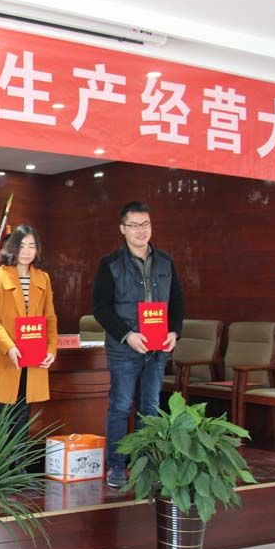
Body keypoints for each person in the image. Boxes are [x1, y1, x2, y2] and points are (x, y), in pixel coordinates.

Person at [93, 201, 184, 488]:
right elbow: (101, 308)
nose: (140, 230)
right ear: (122, 229)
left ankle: (146, 466)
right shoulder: (110, 264)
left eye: (145, 224)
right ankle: (117, 467)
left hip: (157, 349)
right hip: (125, 349)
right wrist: (128, 335)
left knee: (151, 407)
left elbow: (177, 301)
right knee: (121, 406)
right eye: (133, 225)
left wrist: (174, 332)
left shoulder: (165, 262)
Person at [0, 225, 58, 455]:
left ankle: (18, 468)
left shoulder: (43, 278)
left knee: (22, 418)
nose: (26, 251)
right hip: (4, 358)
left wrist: (51, 349)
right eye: (22, 245)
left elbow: (50, 317)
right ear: (12, 247)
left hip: (32, 360)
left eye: (32, 246)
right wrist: (9, 346)